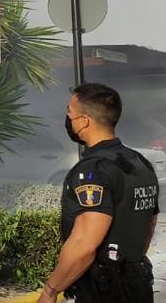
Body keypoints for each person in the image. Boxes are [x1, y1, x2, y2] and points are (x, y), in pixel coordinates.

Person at [39, 83, 159, 303]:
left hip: (102, 291)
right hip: (137, 284)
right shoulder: (140, 163)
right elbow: (148, 225)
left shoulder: (94, 169)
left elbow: (84, 244)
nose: (67, 117)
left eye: (69, 112)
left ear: (84, 121)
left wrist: (50, 290)